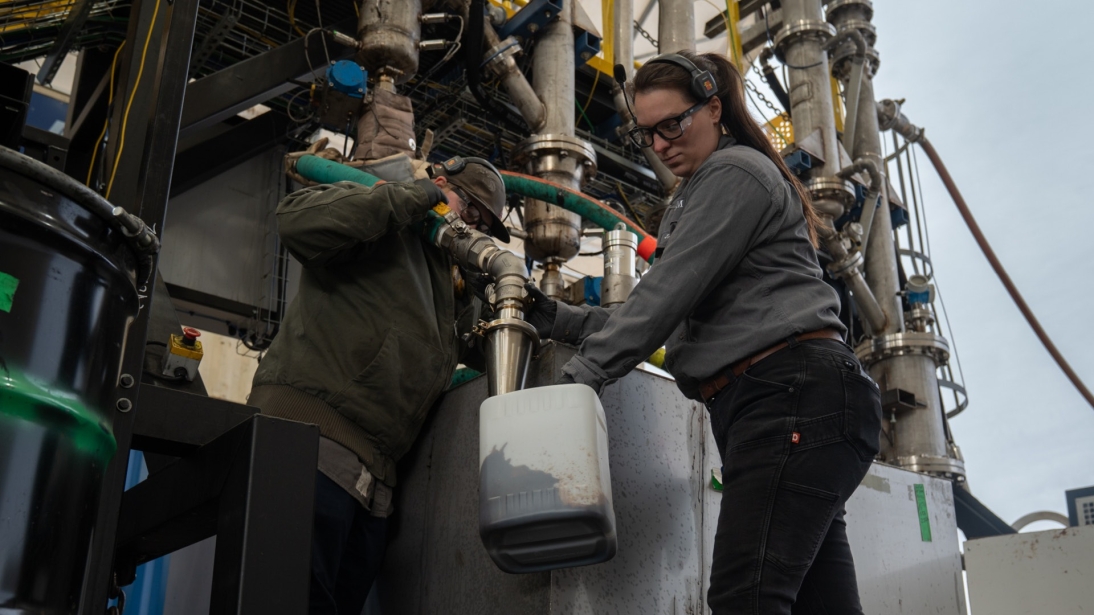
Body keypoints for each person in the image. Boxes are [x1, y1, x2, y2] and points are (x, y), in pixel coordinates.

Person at [523, 51, 882, 614]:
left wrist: (581, 376)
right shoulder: (704, 189)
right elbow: (672, 314)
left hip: (789, 399)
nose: (661, 144)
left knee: (745, 597)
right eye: (647, 134)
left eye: (672, 123)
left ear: (714, 109)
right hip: (795, 407)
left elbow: (666, 295)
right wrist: (558, 319)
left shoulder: (733, 174)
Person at [248, 152, 509, 614]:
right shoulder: (385, 218)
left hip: (375, 482)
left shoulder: (451, 291)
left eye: (484, 222)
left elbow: (485, 346)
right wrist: (423, 196)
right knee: (286, 599)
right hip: (309, 441)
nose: (471, 224)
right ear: (441, 184)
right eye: (467, 206)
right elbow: (296, 221)